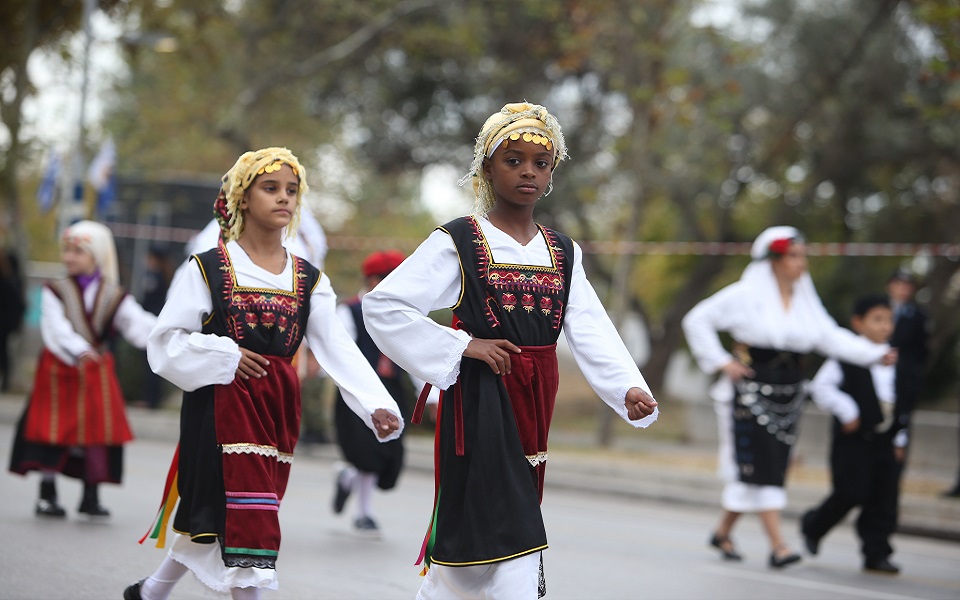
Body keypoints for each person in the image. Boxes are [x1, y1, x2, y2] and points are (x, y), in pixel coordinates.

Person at [362, 102, 659, 599]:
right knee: (518, 532)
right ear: (486, 168)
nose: (528, 171)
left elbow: (587, 323)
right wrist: (464, 344)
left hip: (535, 398)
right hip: (479, 401)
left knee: (475, 548)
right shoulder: (458, 240)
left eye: (541, 163)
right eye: (513, 159)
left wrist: (626, 385)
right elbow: (385, 307)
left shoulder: (563, 250)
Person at [125, 147, 403, 600]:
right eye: (270, 188)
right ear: (243, 197)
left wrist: (376, 403)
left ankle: (152, 592)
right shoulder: (208, 268)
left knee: (228, 511)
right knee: (247, 514)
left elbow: (335, 345)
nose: (284, 199)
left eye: (292, 191)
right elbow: (166, 340)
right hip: (219, 408)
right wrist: (225, 356)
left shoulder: (309, 278)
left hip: (276, 408)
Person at [681, 226, 896, 569]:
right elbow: (697, 320)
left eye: (803, 256)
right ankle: (779, 545)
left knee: (763, 466)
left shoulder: (806, 303)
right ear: (775, 259)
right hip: (750, 392)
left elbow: (833, 338)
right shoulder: (743, 295)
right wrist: (723, 361)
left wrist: (874, 354)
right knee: (760, 466)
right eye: (794, 255)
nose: (801, 263)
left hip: (789, 393)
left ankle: (722, 532)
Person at [8, 220, 157, 518]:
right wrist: (82, 350)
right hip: (60, 369)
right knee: (53, 431)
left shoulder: (114, 295)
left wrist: (173, 336)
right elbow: (56, 329)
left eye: (78, 251)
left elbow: (139, 326)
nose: (69, 257)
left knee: (96, 434)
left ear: (97, 255)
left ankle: (91, 495)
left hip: (95, 373)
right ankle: (46, 493)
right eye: (67, 250)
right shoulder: (55, 290)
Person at [331, 249, 437, 537]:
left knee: (390, 461)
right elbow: (342, 353)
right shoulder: (350, 310)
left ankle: (347, 477)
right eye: (386, 279)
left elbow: (416, 355)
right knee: (368, 454)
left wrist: (431, 396)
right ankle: (364, 513)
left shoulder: (404, 316)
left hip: (391, 390)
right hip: (358, 390)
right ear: (372, 280)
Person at [800, 294, 908, 574]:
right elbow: (821, 387)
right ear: (858, 323)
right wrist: (847, 411)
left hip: (885, 438)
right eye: (877, 319)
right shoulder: (846, 354)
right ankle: (813, 525)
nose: (885, 326)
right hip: (854, 439)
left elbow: (903, 400)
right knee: (851, 491)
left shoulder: (896, 357)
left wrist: (899, 437)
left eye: (889, 320)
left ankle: (876, 552)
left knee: (884, 498)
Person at [138, 245, 174, 409]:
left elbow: (148, 301)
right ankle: (153, 398)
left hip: (151, 322)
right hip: (159, 321)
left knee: (150, 363)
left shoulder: (154, 277)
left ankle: (150, 399)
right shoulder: (166, 277)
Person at [0, 246, 26, 392]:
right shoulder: (12, 280)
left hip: (4, 323)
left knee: (3, 351)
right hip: (6, 324)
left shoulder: (9, 280)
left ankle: (6, 380)